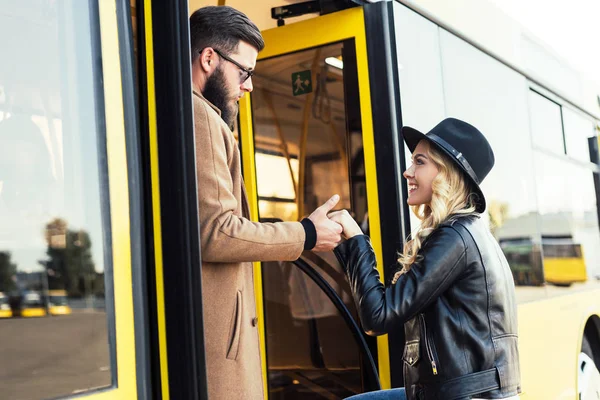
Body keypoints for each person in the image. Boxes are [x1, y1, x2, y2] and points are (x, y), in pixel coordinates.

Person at [189, 6, 343, 400]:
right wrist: (306, 233)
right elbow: (217, 231)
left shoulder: (200, 115)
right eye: (245, 73)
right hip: (218, 346)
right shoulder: (202, 117)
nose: (249, 86)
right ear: (209, 59)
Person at [329, 118, 521, 400]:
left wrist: (357, 240)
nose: (407, 172)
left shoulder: (455, 237)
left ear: (448, 174)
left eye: (419, 162)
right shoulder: (471, 231)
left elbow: (378, 316)